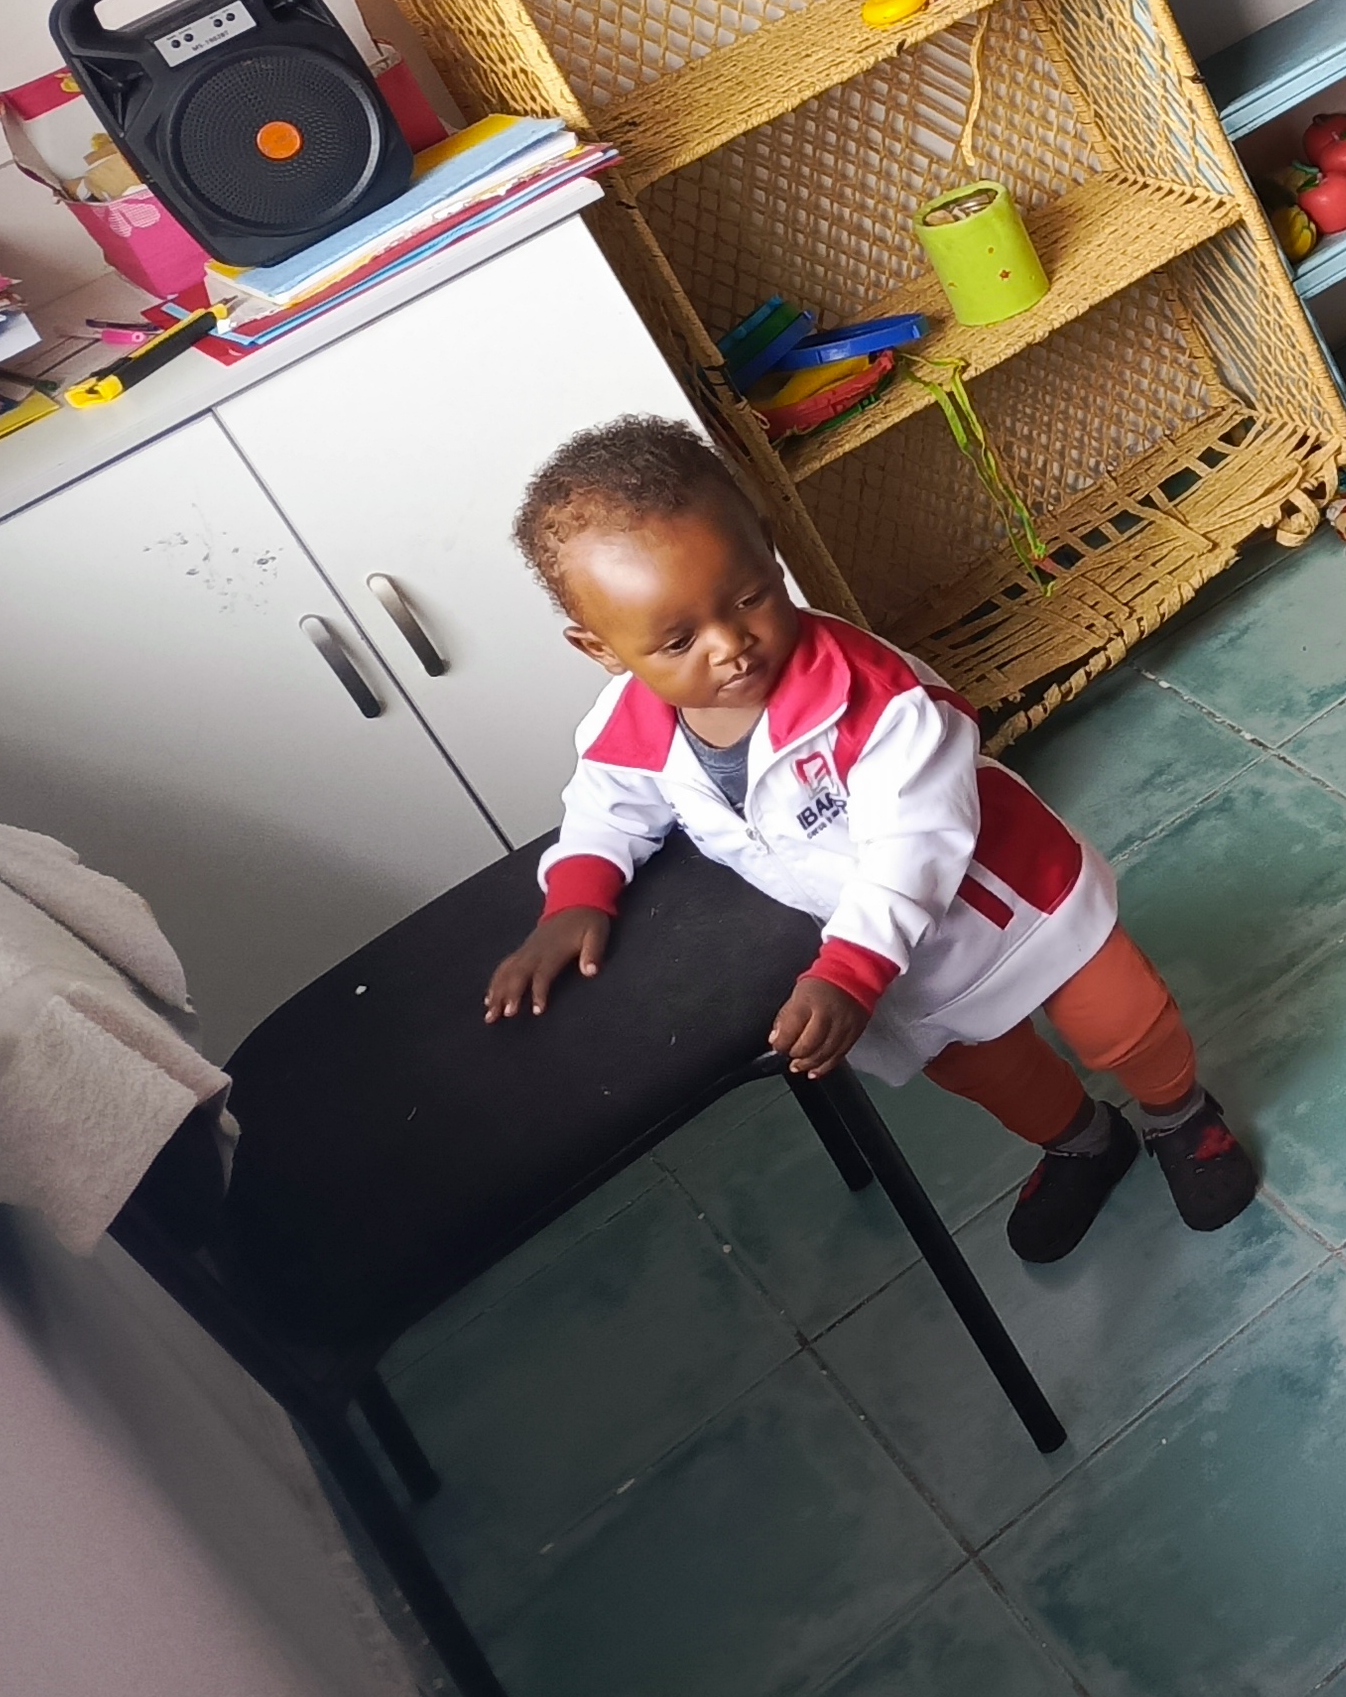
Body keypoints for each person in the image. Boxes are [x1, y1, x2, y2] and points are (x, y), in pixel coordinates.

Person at [483, 418, 1255, 1264]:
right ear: (600, 649)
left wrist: (849, 971)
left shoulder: (875, 697)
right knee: (988, 1072)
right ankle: (1084, 1144)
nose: (731, 646)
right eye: (678, 641)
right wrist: (578, 895)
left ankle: (1181, 1117)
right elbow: (606, 806)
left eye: (749, 598)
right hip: (895, 964)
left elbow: (911, 846)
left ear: (769, 547)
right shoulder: (629, 727)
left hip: (1012, 903)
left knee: (1121, 1019)